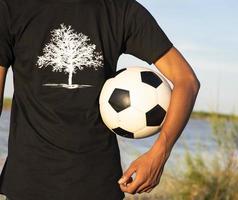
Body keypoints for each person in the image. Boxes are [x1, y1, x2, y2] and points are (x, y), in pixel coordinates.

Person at [0, 0, 200, 199]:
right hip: (28, 184)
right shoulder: (12, 8)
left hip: (98, 185)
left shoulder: (122, 11)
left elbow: (186, 80)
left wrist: (159, 153)